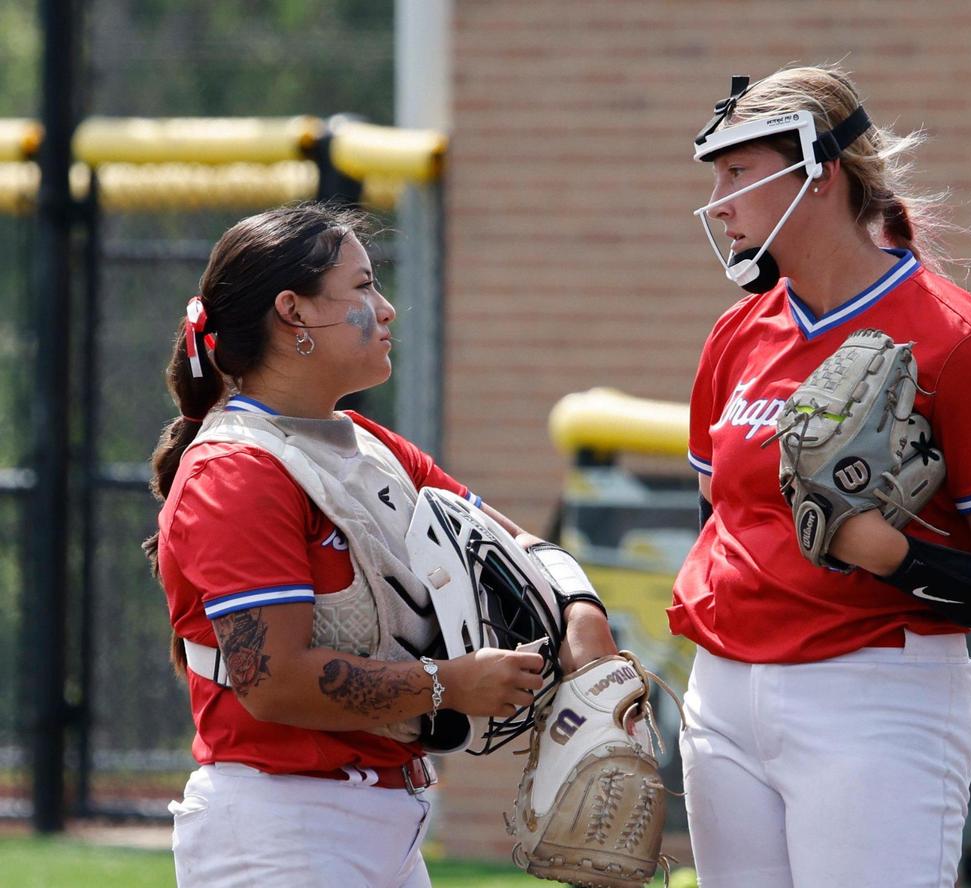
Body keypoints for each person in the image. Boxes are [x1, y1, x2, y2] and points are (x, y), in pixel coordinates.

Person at [143, 202, 617, 887]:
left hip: (377, 822)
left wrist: (584, 623)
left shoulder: (363, 443)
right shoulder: (236, 470)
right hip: (283, 829)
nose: (386, 309)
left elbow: (521, 546)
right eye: (363, 287)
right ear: (295, 312)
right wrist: (451, 685)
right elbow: (272, 684)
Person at [668, 65, 971, 887]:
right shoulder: (737, 333)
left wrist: (893, 556)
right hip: (723, 696)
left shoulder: (961, 341)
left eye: (738, 171)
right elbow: (723, 520)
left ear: (820, 173)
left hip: (873, 692)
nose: (719, 200)